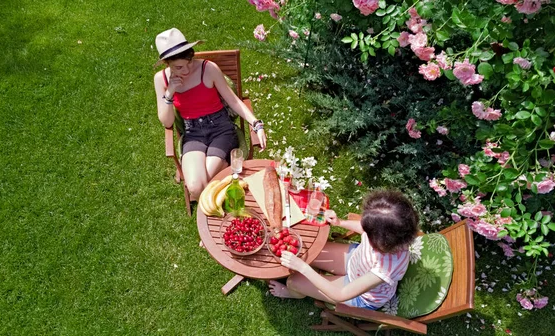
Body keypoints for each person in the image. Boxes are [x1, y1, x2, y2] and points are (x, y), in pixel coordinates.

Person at [154, 28, 267, 199]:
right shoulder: (160, 79)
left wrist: (256, 123)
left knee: (202, 184)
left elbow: (234, 100)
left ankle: (218, 180)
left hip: (221, 129)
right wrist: (169, 93)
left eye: (189, 62)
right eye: (178, 67)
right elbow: (167, 122)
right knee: (195, 187)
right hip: (193, 133)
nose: (186, 70)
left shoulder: (208, 69)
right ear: (166, 64)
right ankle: (226, 171)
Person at [269, 190, 419, 310]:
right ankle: (314, 276)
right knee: (309, 250)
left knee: (293, 281)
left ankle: (293, 293)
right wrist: (340, 222)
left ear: (381, 241)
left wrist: (303, 268)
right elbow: (364, 228)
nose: (365, 231)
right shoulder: (389, 232)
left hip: (361, 294)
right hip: (356, 260)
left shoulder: (384, 269)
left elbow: (340, 295)